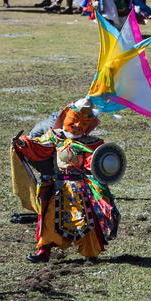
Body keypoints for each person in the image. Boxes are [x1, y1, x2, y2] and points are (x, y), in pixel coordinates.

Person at [11, 99, 120, 264]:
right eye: (74, 119)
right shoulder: (56, 137)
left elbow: (94, 165)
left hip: (80, 190)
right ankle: (44, 251)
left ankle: (90, 254)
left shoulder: (92, 144)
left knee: (85, 222)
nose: (77, 125)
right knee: (49, 219)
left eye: (83, 122)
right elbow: (39, 147)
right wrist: (23, 143)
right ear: (65, 116)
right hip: (59, 187)